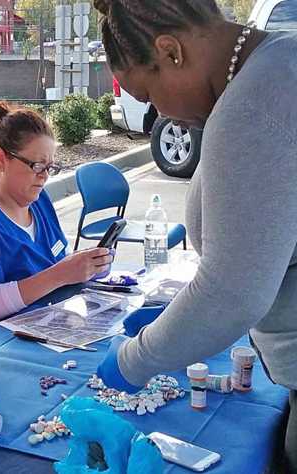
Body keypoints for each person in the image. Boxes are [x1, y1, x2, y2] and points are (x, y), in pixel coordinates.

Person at [91, 0, 297, 470]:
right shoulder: (279, 61)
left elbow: (231, 293)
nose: (161, 112)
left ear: (170, 52)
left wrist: (132, 362)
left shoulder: (250, 108)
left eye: (149, 93)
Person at [0, 101, 113, 327]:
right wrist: (60, 275)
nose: (44, 176)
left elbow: (56, 261)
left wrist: (85, 266)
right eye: (37, 165)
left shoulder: (39, 201)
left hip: (54, 325)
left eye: (50, 167)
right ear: (1, 159)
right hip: (2, 346)